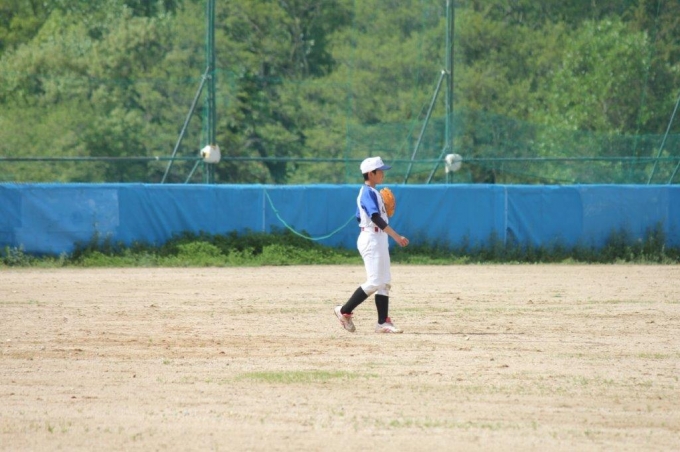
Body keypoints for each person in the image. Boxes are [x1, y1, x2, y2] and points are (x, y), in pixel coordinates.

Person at [334, 156, 409, 334]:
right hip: (371, 238)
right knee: (375, 281)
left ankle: (383, 322)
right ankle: (344, 311)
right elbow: (374, 218)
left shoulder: (374, 193)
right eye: (380, 171)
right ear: (370, 173)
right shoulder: (367, 192)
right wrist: (396, 236)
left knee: (384, 282)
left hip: (379, 238)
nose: (383, 174)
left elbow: (359, 216)